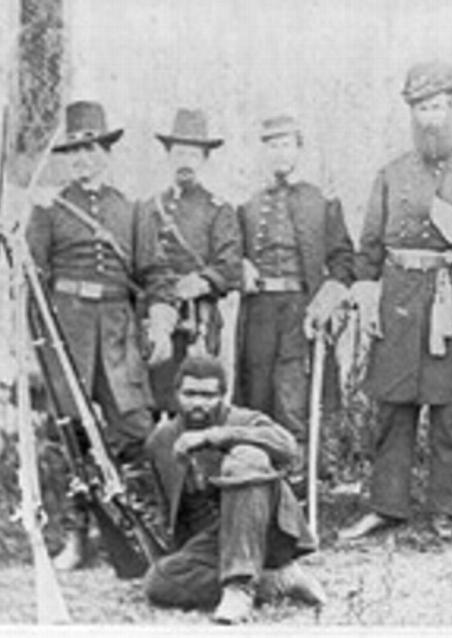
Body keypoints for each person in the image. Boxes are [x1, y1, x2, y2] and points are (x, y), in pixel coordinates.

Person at [338, 60, 452, 542]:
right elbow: (369, 245)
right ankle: (388, 505)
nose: (431, 117)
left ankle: (444, 508)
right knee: (393, 406)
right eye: (422, 108)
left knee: (450, 409)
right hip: (399, 300)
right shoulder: (390, 173)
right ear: (413, 114)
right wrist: (366, 293)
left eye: (439, 107)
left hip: (450, 301)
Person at [26, 100, 177, 569]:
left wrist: (162, 324)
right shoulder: (49, 210)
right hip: (64, 331)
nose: (83, 158)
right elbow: (33, 277)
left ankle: (146, 528)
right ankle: (76, 537)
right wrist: (33, 348)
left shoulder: (131, 211)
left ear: (106, 152)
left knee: (135, 429)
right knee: (64, 434)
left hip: (117, 332)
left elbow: (156, 275)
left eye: (91, 148)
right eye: (74, 151)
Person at [143, 354, 325, 624]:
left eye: (208, 395)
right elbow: (165, 507)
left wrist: (215, 436)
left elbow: (288, 447)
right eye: (190, 394)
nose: (198, 403)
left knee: (247, 457)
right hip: (216, 540)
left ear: (223, 396)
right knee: (158, 582)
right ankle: (277, 581)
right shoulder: (161, 440)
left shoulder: (245, 420)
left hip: (267, 528)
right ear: (176, 394)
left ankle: (239, 586)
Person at [237, 114, 354, 487]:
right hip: (258, 312)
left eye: (286, 144)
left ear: (299, 148)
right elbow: (231, 252)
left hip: (299, 311)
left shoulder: (320, 202)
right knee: (257, 391)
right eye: (272, 145)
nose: (279, 153)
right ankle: (261, 475)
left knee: (293, 394)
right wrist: (240, 265)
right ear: (263, 152)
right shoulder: (249, 205)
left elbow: (342, 259)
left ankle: (300, 477)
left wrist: (329, 296)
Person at [142, 108, 242, 415]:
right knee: (151, 394)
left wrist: (201, 282)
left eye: (193, 154)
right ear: (169, 156)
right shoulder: (147, 208)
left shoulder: (219, 210)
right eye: (179, 152)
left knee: (196, 396)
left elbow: (230, 264)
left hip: (198, 318)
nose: (185, 161)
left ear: (204, 160)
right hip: (154, 315)